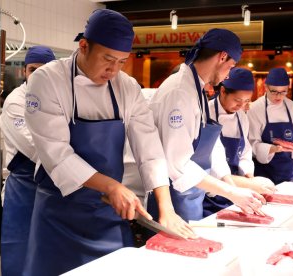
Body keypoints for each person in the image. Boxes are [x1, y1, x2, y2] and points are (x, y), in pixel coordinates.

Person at [23, 9, 193, 276]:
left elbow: (149, 149)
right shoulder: (47, 81)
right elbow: (57, 154)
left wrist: (166, 207)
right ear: (83, 46)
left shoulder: (127, 87)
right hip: (58, 214)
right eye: (108, 59)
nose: (113, 70)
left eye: (122, 62)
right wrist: (112, 185)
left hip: (109, 212)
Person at [147, 28, 266, 222]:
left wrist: (232, 187)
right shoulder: (180, 92)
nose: (228, 75)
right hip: (172, 196)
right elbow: (177, 164)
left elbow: (211, 146)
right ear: (222, 57)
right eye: (231, 66)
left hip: (192, 193)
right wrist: (230, 192)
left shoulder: (197, 89)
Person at [0, 46, 56, 276]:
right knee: (21, 253)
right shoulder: (15, 102)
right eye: (33, 70)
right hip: (24, 188)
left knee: (46, 254)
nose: (38, 75)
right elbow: (37, 149)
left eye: (44, 71)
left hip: (51, 186)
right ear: (24, 72)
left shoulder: (56, 99)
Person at [203, 67, 275, 216]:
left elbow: (245, 152)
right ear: (223, 91)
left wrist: (249, 177)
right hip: (209, 192)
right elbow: (212, 159)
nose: (241, 106)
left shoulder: (241, 117)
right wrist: (243, 185)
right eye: (237, 100)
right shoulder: (205, 113)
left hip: (235, 191)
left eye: (246, 101)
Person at [248, 67, 293, 184]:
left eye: (283, 91)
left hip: (289, 174)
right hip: (263, 175)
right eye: (274, 91)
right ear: (266, 87)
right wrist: (272, 149)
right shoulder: (255, 109)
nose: (279, 96)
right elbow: (251, 143)